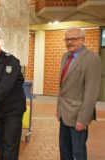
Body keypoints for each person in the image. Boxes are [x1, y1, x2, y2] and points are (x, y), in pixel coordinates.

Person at [56, 27, 102, 160]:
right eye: (67, 39)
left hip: (78, 116)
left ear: (83, 39)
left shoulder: (92, 59)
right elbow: (62, 86)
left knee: (78, 152)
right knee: (64, 151)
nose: (69, 42)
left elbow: (91, 92)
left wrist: (83, 118)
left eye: (73, 39)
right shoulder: (65, 56)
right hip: (64, 114)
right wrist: (58, 108)